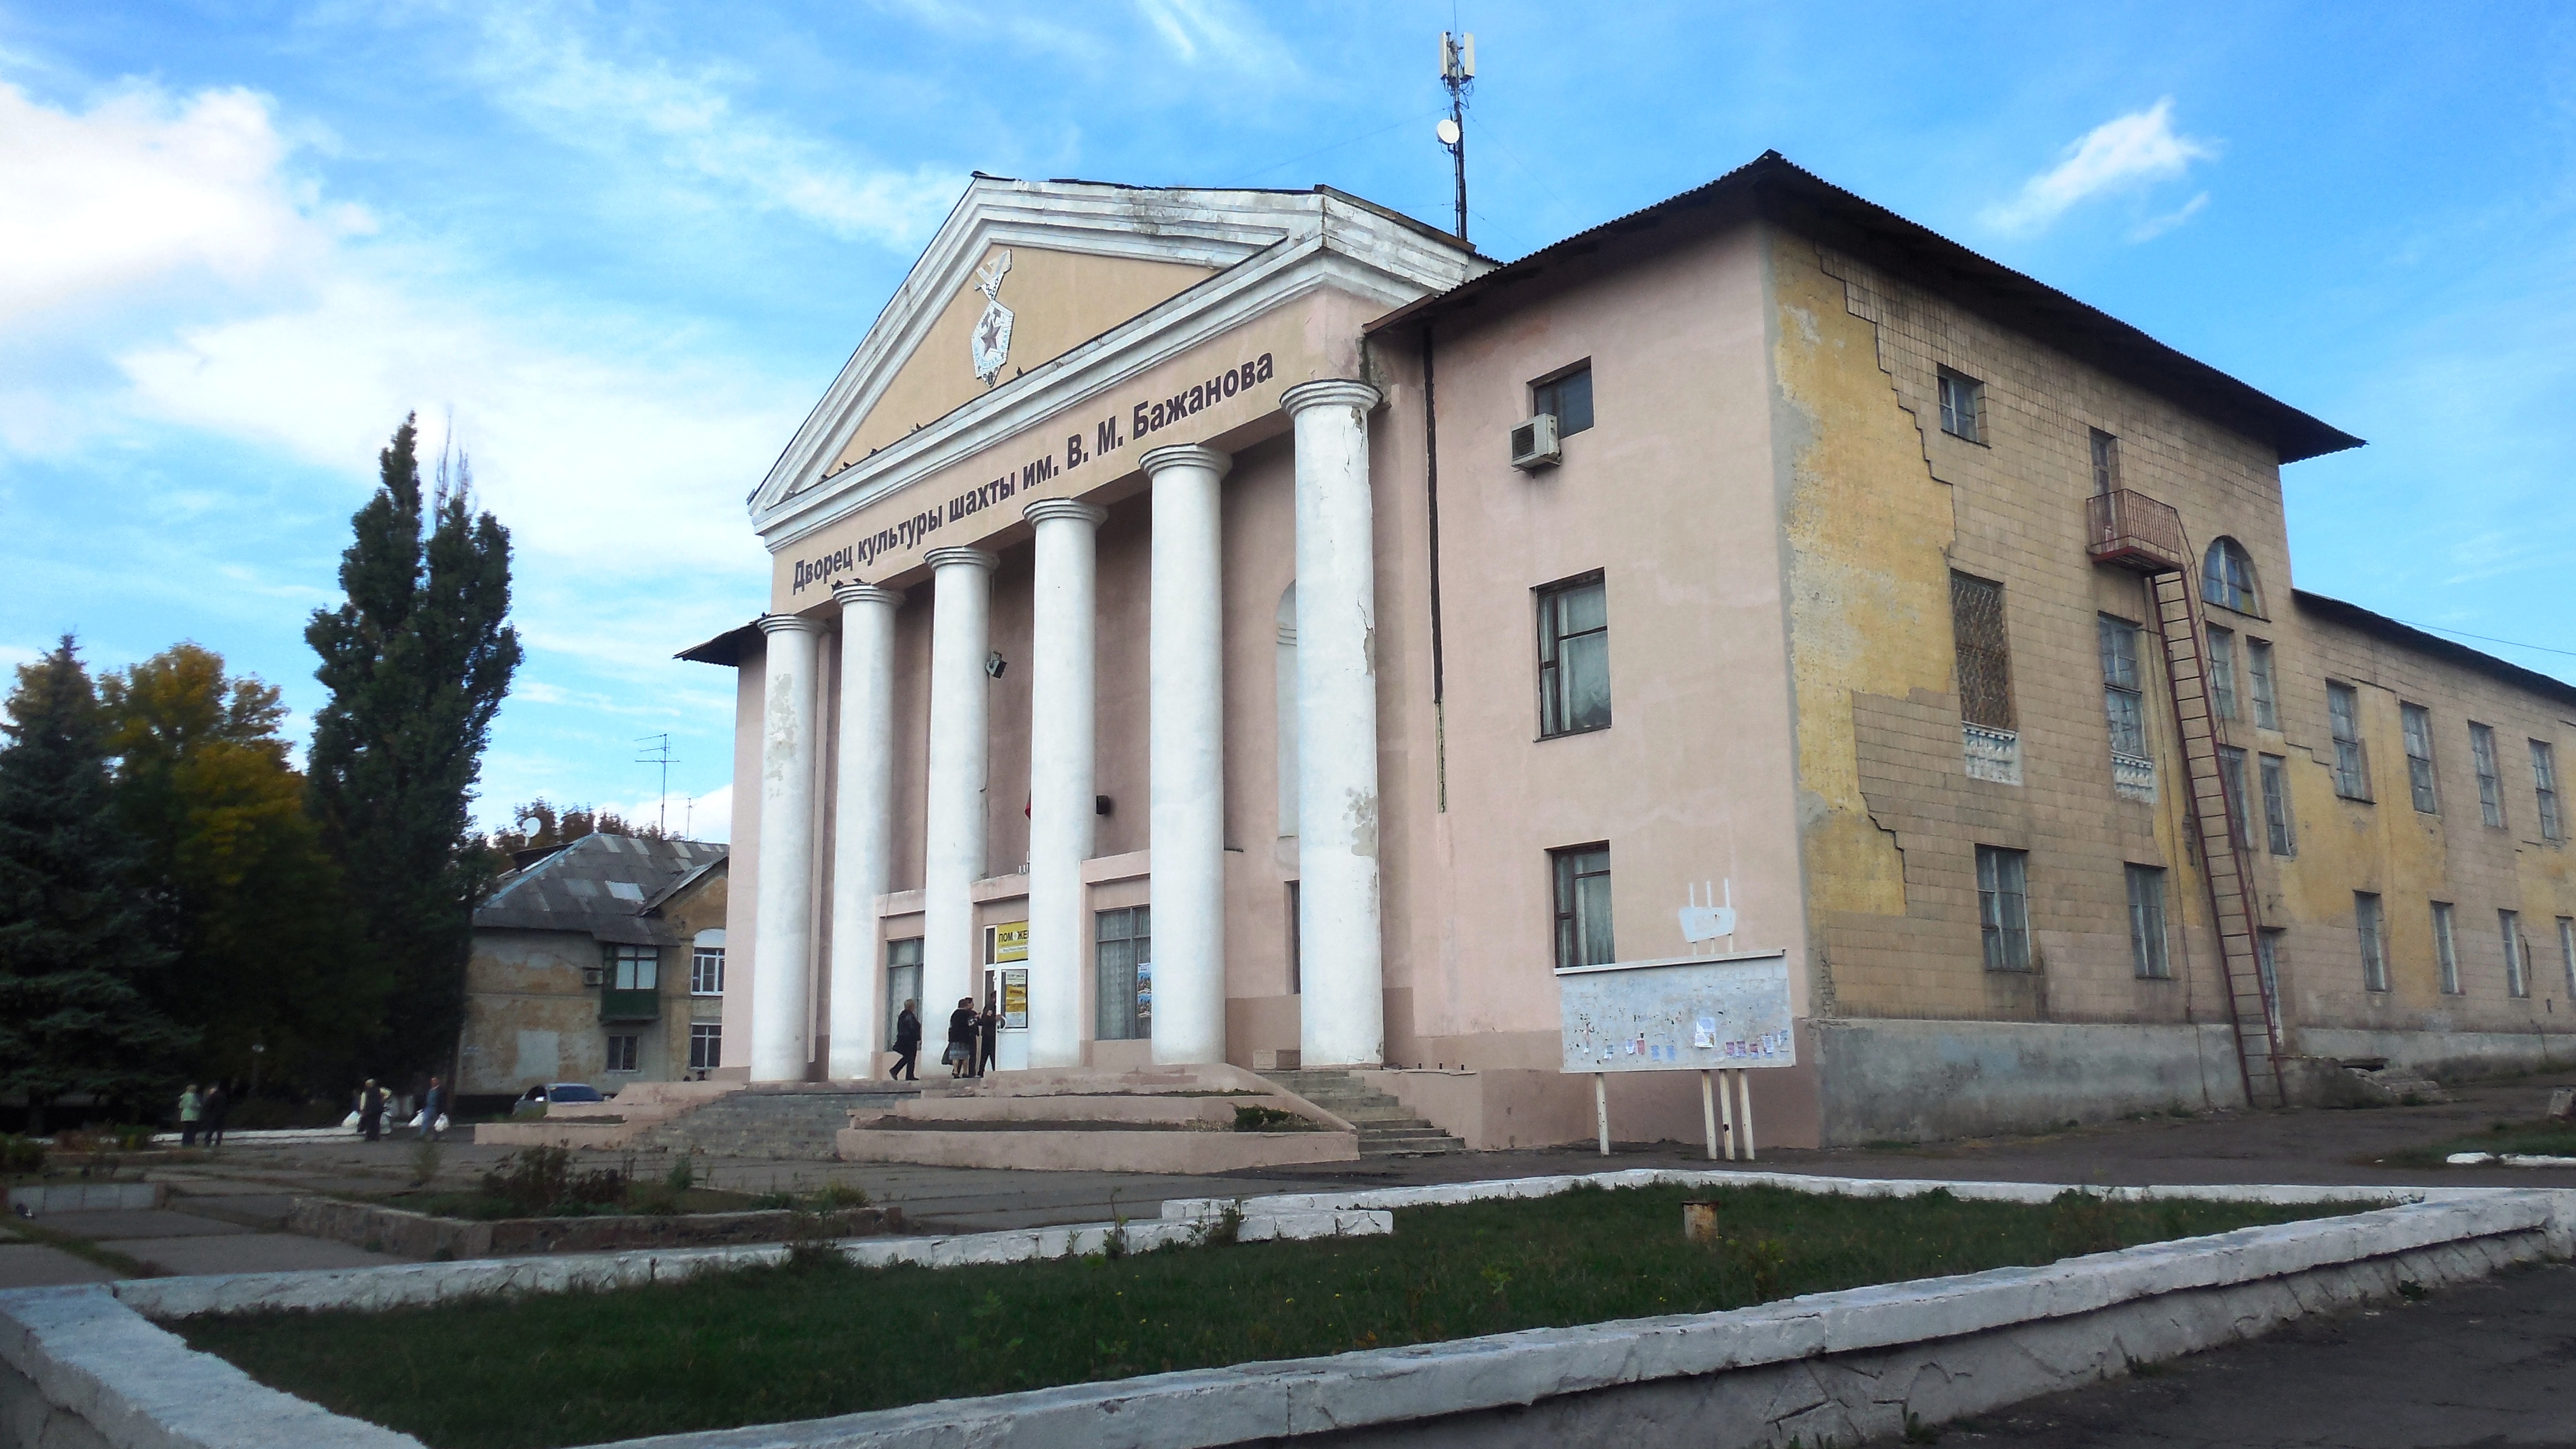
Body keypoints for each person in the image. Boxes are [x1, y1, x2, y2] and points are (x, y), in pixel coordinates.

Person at [889, 999, 921, 1081]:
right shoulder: (910, 1016)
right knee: (910, 1058)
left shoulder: (902, 1016)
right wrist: (918, 1038)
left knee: (908, 1057)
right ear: (911, 1007)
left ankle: (901, 1072)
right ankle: (901, 1073)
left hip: (904, 1040)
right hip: (909, 1040)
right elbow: (913, 1028)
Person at [945, 997, 977, 1079]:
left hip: (954, 1037)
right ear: (966, 1006)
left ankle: (956, 1071)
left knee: (955, 1056)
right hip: (965, 1037)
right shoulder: (967, 1014)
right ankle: (965, 1073)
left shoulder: (954, 1014)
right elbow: (971, 1024)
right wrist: (976, 1019)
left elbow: (951, 1025)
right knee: (965, 1056)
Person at [977, 992, 1001, 1077]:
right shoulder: (991, 1007)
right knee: (991, 1053)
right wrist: (995, 1019)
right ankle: (994, 1070)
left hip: (988, 1034)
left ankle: (981, 1072)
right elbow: (985, 1020)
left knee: (986, 1054)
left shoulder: (991, 1006)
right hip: (990, 1034)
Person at [202, 1082, 229, 1148]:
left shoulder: (212, 1097)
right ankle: (218, 1143)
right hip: (222, 1115)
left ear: (213, 1090)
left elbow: (208, 1106)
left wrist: (207, 1113)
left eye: (211, 1090)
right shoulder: (223, 1095)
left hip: (213, 1115)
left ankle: (207, 1142)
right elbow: (227, 1105)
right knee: (220, 1130)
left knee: (210, 1129)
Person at [358, 1078, 385, 1142]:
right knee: (376, 1123)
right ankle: (376, 1137)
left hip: (369, 1109)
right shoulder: (379, 1090)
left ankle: (369, 1137)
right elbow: (388, 1093)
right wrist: (383, 1099)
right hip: (378, 1109)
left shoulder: (366, 1092)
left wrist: (362, 1110)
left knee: (369, 1124)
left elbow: (363, 1102)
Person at [421, 1076, 447, 1142]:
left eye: (434, 1081)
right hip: (428, 1108)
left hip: (436, 1109)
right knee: (425, 1121)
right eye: (432, 1081)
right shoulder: (429, 1090)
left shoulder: (441, 1091)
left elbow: (443, 1101)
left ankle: (436, 1137)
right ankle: (422, 1135)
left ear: (438, 1082)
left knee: (435, 1123)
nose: (433, 1082)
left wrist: (442, 1111)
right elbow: (426, 1099)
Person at [177, 1084, 202, 1148]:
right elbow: (196, 1105)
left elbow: (180, 1106)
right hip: (193, 1115)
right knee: (192, 1130)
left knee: (186, 1130)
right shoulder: (195, 1096)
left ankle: (185, 1143)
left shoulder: (183, 1097)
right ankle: (191, 1143)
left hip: (185, 1115)